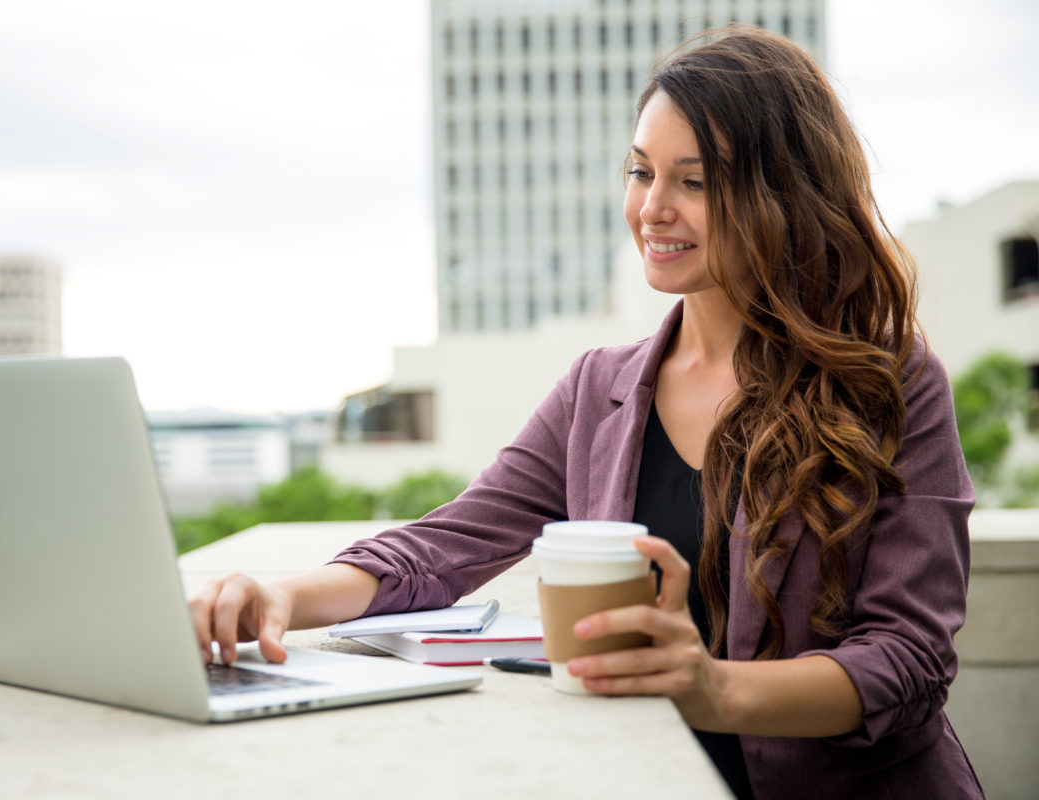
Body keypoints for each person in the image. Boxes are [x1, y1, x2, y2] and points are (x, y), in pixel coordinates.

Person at [190, 25, 983, 799]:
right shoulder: (598, 391)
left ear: (784, 195)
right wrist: (283, 599)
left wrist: (714, 689)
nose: (652, 209)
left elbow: (910, 659)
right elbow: (440, 550)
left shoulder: (889, 382)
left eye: (695, 181)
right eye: (641, 172)